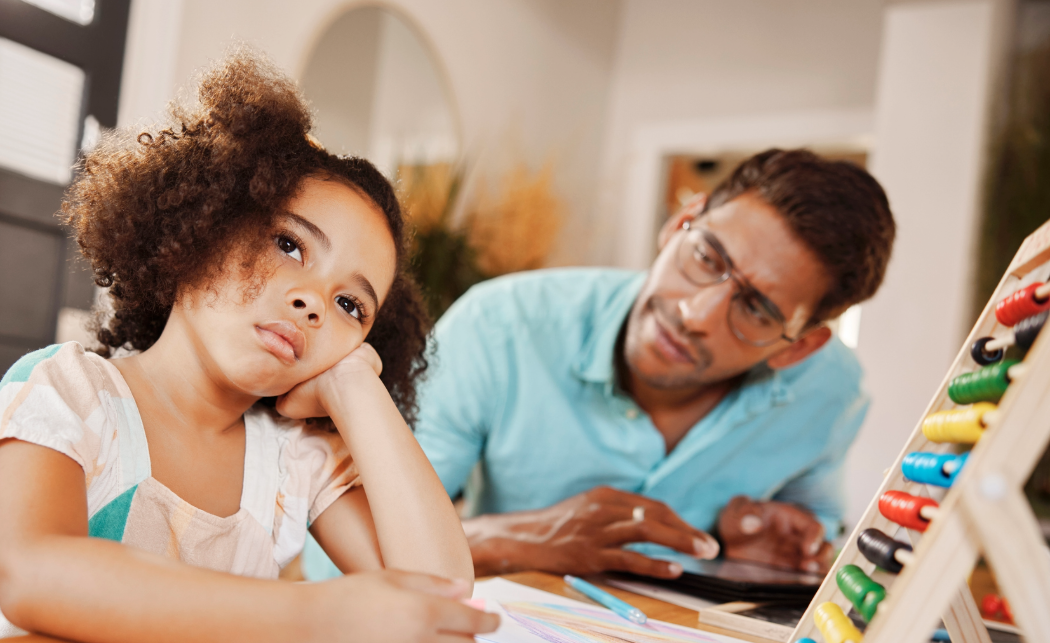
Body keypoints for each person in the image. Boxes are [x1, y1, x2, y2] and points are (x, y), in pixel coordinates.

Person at [0, 52, 496, 643]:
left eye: (351, 305)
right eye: (288, 244)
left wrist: (354, 386)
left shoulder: (296, 459)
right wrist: (310, 626)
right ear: (203, 224)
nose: (314, 300)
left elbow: (440, 591)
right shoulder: (68, 392)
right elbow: (34, 573)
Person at [307, 150, 893, 582]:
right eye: (707, 256)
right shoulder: (503, 326)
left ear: (798, 347)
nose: (694, 313)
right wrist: (521, 539)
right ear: (680, 223)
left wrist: (779, 544)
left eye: (757, 309)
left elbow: (817, 527)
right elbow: (330, 554)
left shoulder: (830, 392)